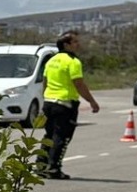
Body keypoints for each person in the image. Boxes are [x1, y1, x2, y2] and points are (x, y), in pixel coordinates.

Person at [38, 32, 99, 179]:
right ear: (66, 45)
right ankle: (53, 168)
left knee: (49, 135)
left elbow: (45, 82)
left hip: (49, 102)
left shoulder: (51, 61)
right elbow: (78, 83)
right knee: (62, 137)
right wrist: (91, 101)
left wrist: (45, 97)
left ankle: (41, 166)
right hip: (65, 103)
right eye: (75, 42)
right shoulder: (73, 62)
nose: (78, 44)